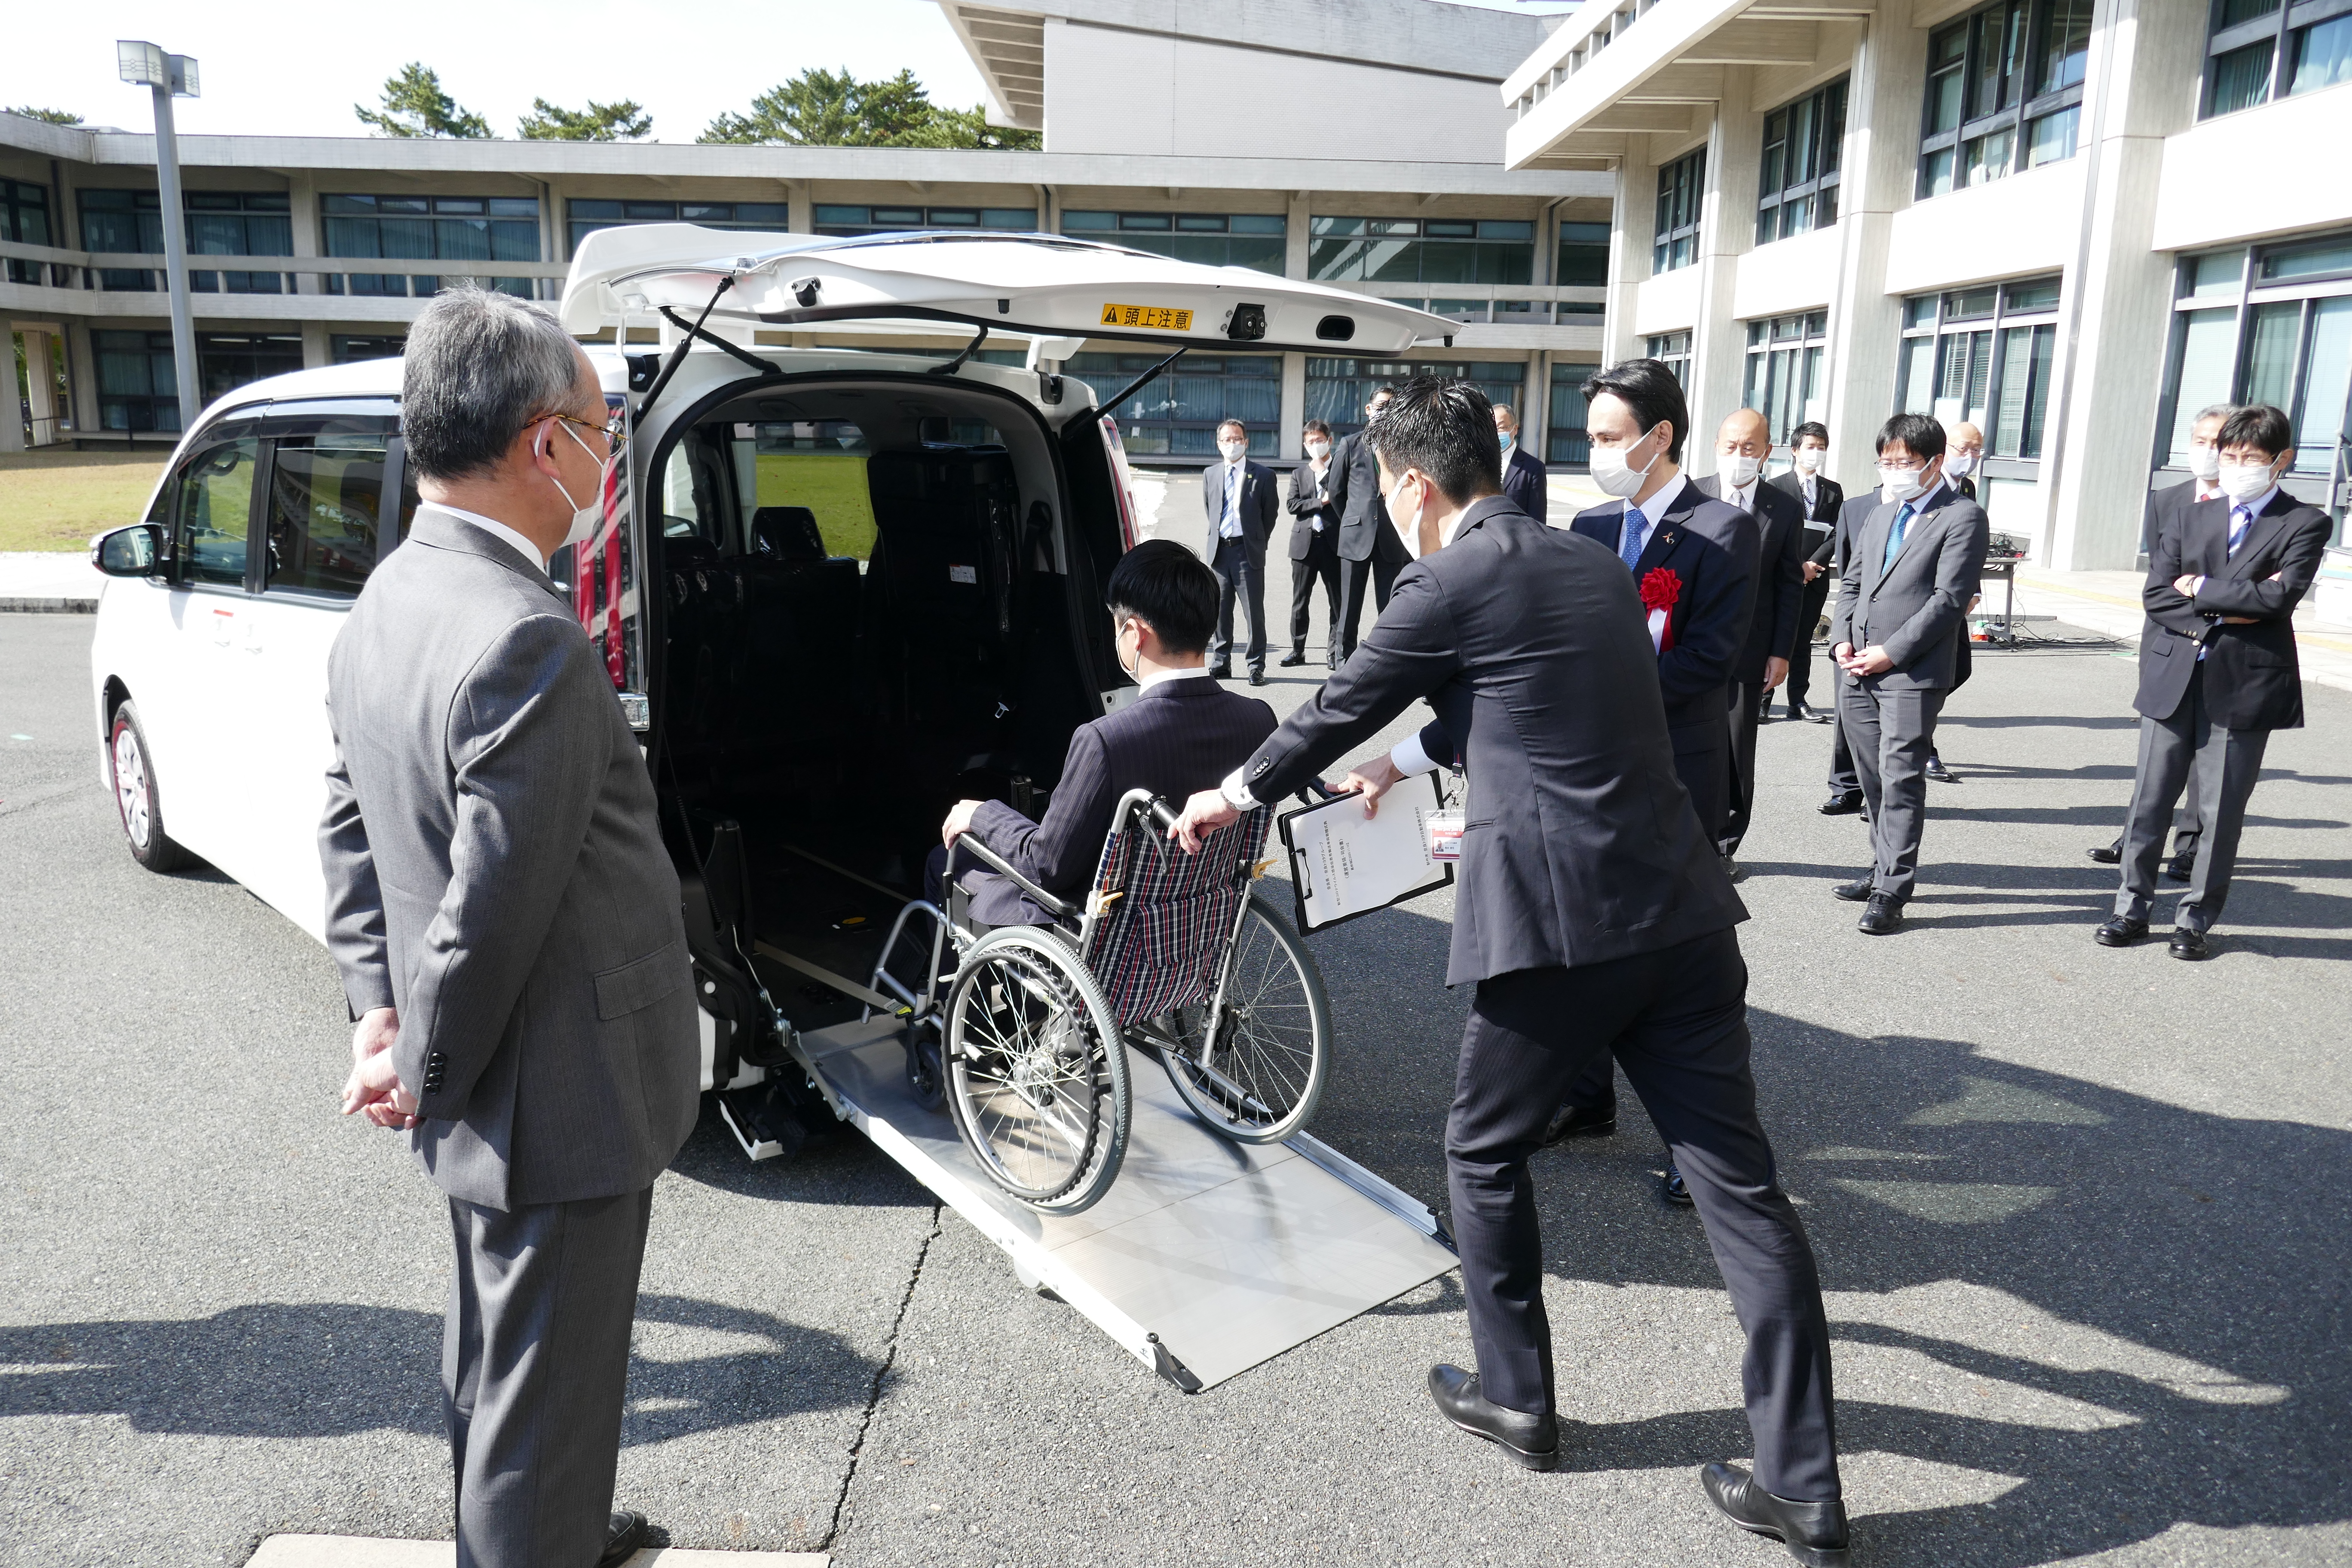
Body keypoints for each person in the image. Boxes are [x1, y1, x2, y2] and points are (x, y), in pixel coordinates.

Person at [1166, 376, 1849, 1563]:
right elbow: (1532, 688)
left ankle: (1517, 1395)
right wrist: (1409, 763)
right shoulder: (1588, 560)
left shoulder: (1443, 576)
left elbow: (1332, 706)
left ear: (1417, 486)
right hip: (1682, 914)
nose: (1392, 506)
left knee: (1481, 1151)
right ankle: (1803, 1485)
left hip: (1561, 926)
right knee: (1744, 1195)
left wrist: (1231, 797)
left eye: (1388, 488)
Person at [321, 288, 698, 1568]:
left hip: (481, 1080)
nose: (611, 454)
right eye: (604, 427)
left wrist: (377, 1014)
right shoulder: (527, 638)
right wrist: (413, 1065)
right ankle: (538, 1540)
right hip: (555, 1090)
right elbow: (489, 922)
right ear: (550, 445)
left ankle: (552, 1528)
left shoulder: (387, 595)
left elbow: (347, 821)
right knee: (542, 1385)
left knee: (507, 1365)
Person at [1547, 361, 1758, 1206]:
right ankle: (1586, 1095)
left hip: (1677, 771)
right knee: (1588, 936)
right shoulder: (1593, 527)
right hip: (1591, 772)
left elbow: (1709, 661)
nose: (1597, 453)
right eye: (1592, 438)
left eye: (1607, 438)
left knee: (1678, 957)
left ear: (1658, 436)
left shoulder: (1721, 530)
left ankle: (1695, 1142)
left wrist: (1593, 688)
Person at [931, 539, 1277, 924]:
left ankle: (939, 987)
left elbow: (1048, 865)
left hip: (1102, 935)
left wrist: (982, 814)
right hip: (1204, 927)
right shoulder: (1260, 720)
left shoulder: (1106, 740)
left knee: (941, 861)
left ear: (1134, 634)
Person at [2097, 404, 2330, 960]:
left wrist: (2198, 586)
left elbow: (2281, 597)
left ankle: (2195, 919)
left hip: (2245, 682)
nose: (2237, 466)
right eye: (2230, 456)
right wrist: (2234, 603)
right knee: (2150, 803)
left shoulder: (2303, 522)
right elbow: (2157, 596)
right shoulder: (2190, 514)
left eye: (2251, 458)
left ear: (2282, 462)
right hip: (2173, 673)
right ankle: (2131, 909)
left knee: (2221, 811)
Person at [1828, 413, 1989, 935]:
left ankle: (1892, 890)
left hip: (1911, 671)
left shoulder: (1962, 516)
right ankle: (1881, 865)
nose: (1893, 471)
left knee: (1900, 777)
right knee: (1870, 774)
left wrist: (1890, 653)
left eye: (1904, 462)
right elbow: (1852, 583)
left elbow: (1948, 601)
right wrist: (1840, 639)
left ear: (1935, 463)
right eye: (1886, 462)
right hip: (1857, 668)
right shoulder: (1881, 514)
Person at [2088, 404, 2233, 876]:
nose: (2207, 452)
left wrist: (2209, 597)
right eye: (2200, 441)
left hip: (2226, 644)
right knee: (2158, 748)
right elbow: (2162, 582)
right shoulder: (2167, 500)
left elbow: (2242, 586)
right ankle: (2137, 834)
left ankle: (2190, 845)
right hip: (2167, 638)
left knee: (2204, 748)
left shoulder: (2248, 508)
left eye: (2218, 442)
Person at [1695, 408, 1804, 871]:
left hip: (1749, 651)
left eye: (1749, 448)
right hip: (1688, 647)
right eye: (1729, 447)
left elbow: (1789, 585)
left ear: (1767, 452)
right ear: (1716, 446)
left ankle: (1724, 844)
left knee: (1736, 752)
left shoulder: (1784, 508)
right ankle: (1685, 838)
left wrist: (1781, 652)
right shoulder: (1690, 493)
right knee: (1684, 744)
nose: (1738, 456)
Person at [1324, 383, 1411, 665]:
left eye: (1391, 407)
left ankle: (1387, 660)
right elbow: (1336, 492)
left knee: (1390, 607)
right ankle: (1343, 660)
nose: (1385, 412)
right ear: (1368, 409)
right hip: (1355, 538)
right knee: (1349, 608)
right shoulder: (1350, 444)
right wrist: (1352, 519)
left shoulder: (1404, 447)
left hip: (1391, 539)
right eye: (1380, 406)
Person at [1770, 422, 1843, 724]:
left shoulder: (1832, 490)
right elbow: (1771, 532)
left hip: (1816, 575)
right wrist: (1796, 566)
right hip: (1783, 575)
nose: (1816, 453)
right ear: (1795, 450)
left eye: (1821, 448)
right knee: (1774, 637)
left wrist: (1813, 565)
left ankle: (1797, 700)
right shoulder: (1776, 487)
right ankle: (1764, 699)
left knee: (1804, 640)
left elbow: (1839, 532)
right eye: (1810, 447)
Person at [1202, 418, 1277, 685]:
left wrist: (1257, 541)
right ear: (1218, 443)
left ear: (1246, 442)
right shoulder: (1210, 474)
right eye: (1227, 440)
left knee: (1253, 613)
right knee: (1220, 611)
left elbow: (1270, 515)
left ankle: (1256, 665)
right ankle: (1221, 663)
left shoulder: (1264, 475)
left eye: (1237, 439)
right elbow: (1210, 509)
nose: (1232, 444)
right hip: (1220, 553)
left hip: (1248, 552)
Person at [1283, 419, 1344, 669]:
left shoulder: (1340, 469)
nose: (1315, 445)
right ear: (1304, 445)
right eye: (1310, 442)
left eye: (1319, 440)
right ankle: (1298, 651)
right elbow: (1292, 505)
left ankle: (1334, 653)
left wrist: (1328, 490)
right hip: (1304, 545)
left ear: (1329, 441)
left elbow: (1344, 499)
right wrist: (1321, 502)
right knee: (1300, 601)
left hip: (1334, 544)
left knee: (1337, 602)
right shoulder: (1300, 473)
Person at [1494, 401, 1548, 523]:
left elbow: (1537, 518)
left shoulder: (1533, 468)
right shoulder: (1479, 463)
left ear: (1515, 429)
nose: (1496, 433)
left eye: (1502, 428)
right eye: (1492, 428)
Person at [1944, 421, 1984, 501]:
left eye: (1976, 450)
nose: (1970, 456)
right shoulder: (1931, 483)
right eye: (1963, 448)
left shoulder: (1968, 486)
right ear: (1945, 448)